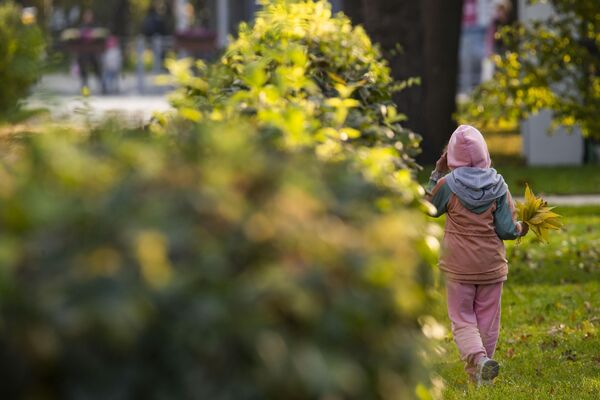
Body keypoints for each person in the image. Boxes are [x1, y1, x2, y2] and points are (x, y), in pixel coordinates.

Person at [426, 125, 529, 386]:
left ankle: (479, 361)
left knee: (462, 318)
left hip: (458, 266)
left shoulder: (446, 184)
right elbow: (506, 229)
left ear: (451, 156)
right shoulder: (499, 184)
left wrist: (437, 172)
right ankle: (481, 374)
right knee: (487, 320)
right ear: (484, 153)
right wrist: (521, 229)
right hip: (491, 267)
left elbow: (429, 208)